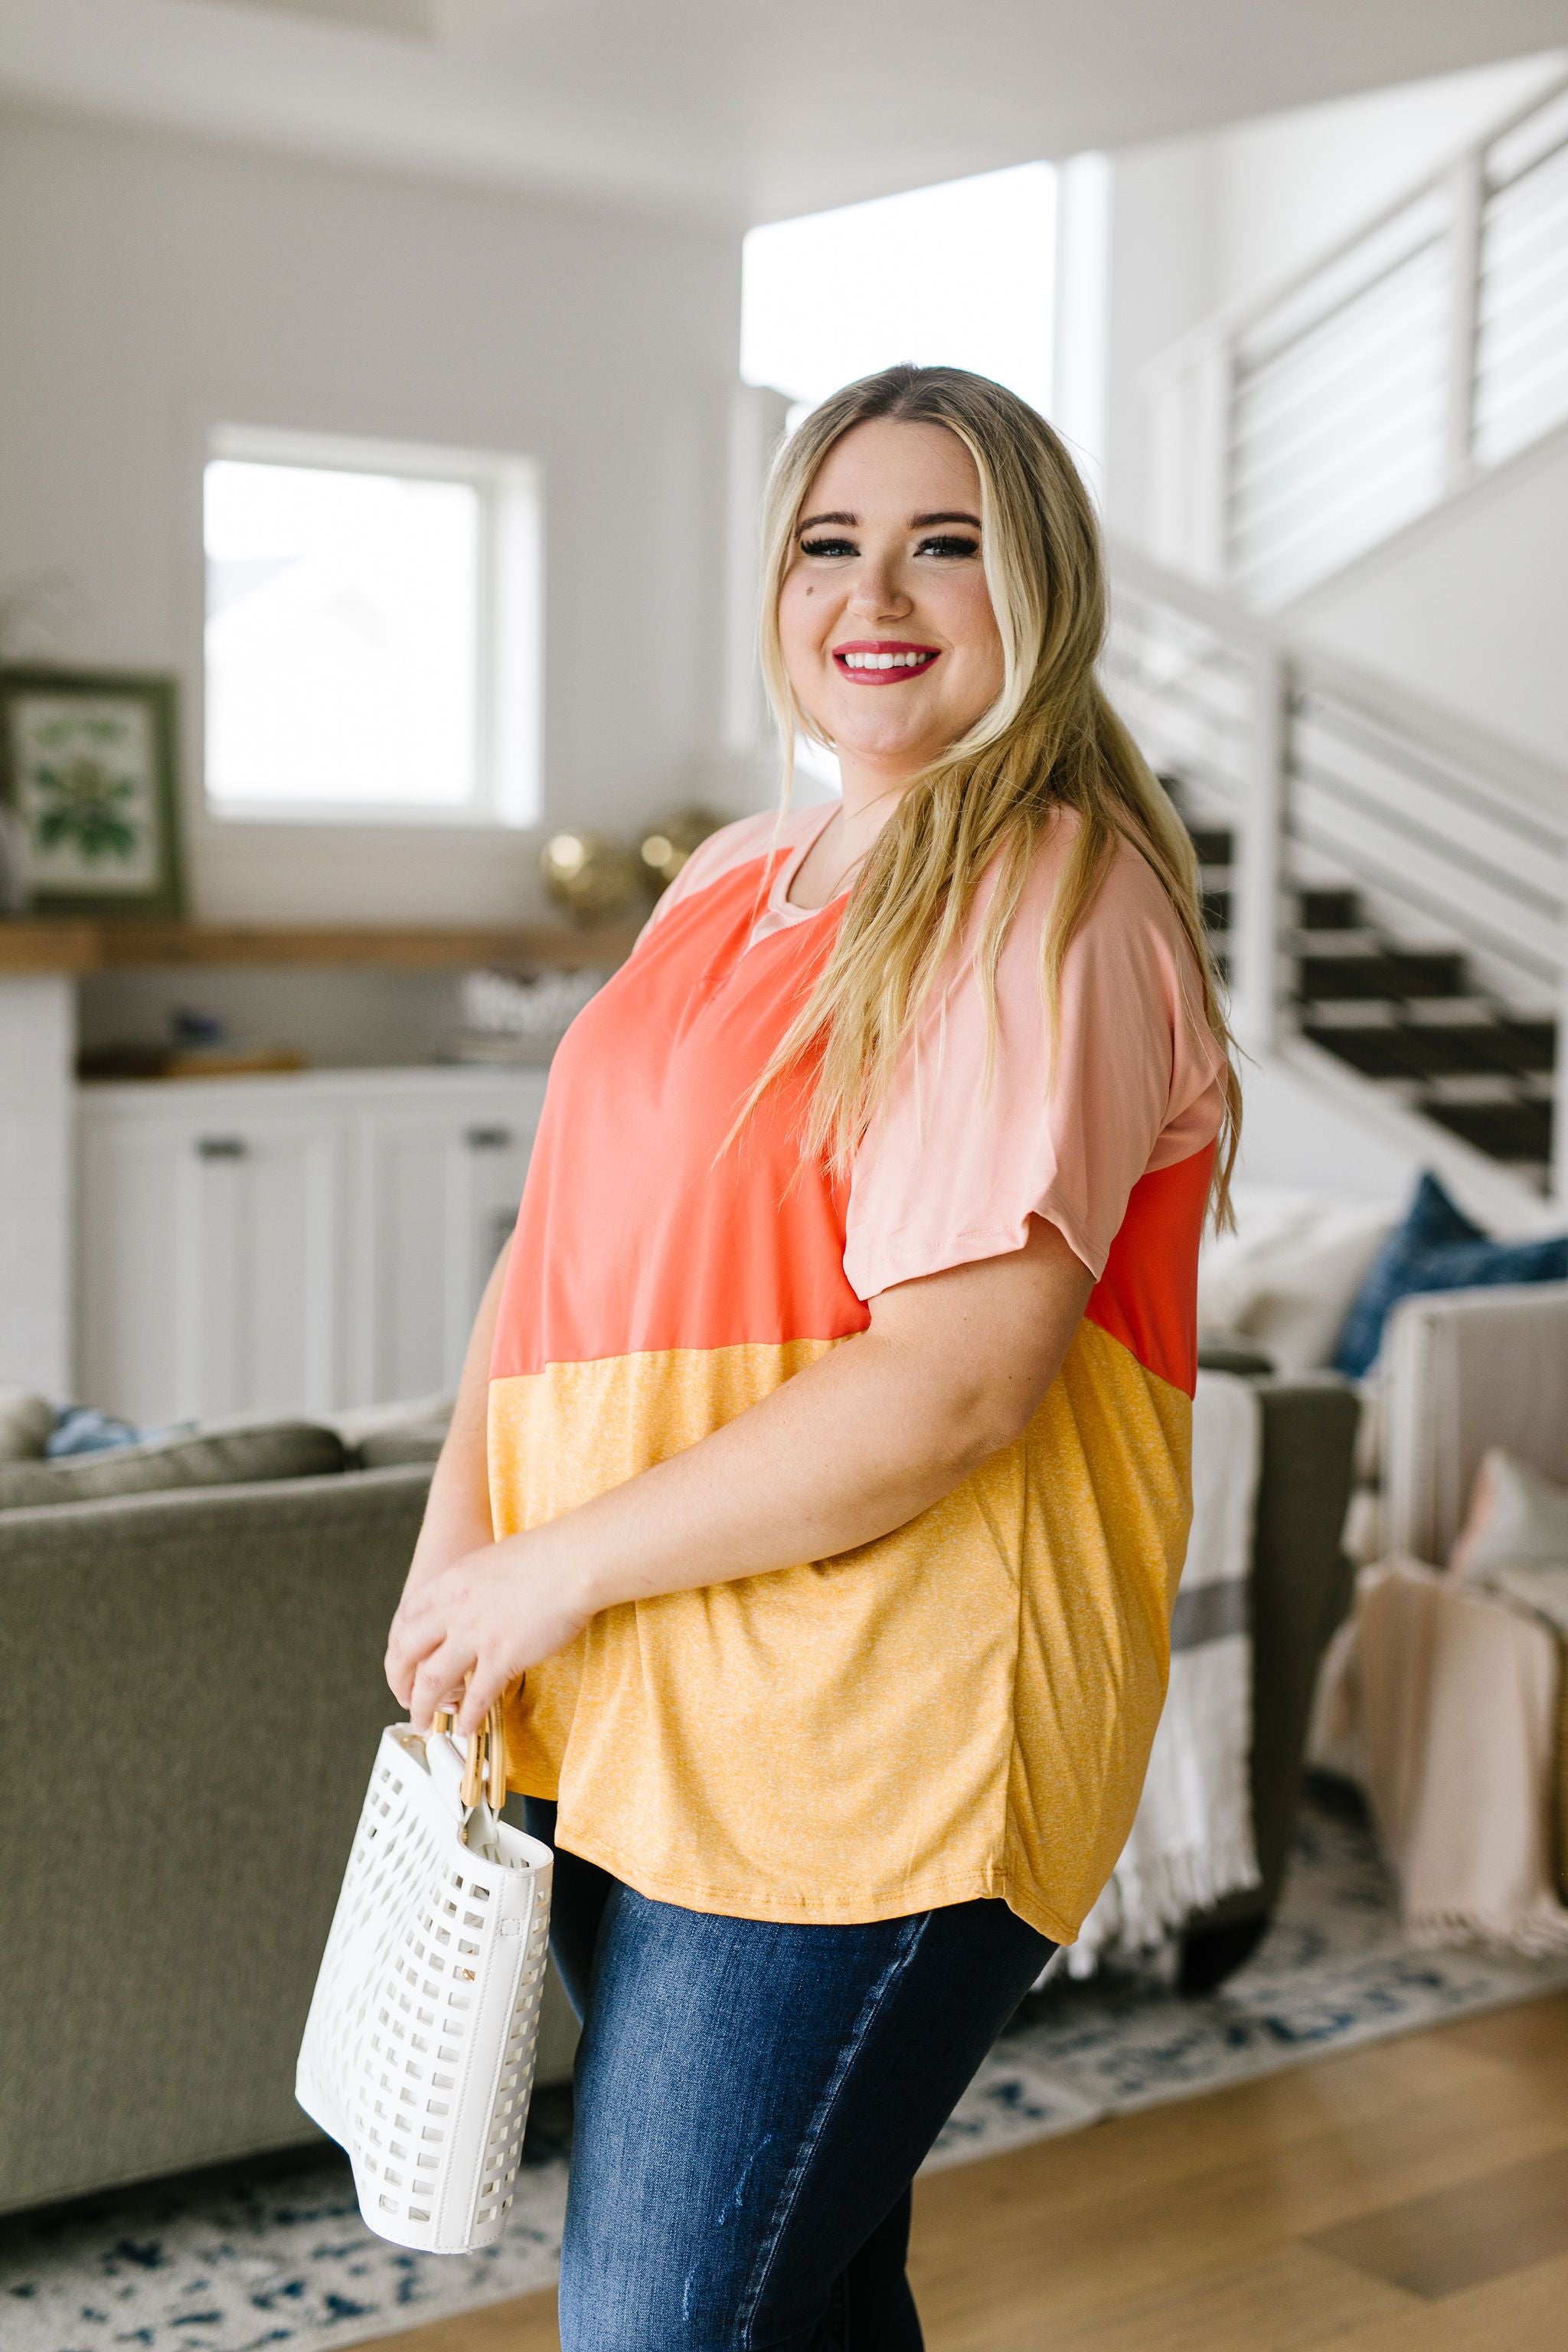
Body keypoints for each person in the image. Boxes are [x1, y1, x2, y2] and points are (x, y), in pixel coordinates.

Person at [385, 361, 1240, 2350]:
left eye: (949, 543)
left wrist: (546, 1566)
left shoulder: (1054, 896)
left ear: (1040, 589)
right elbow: (555, 1270)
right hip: (646, 1701)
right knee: (816, 2299)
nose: (881, 590)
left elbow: (950, 1386)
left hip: (883, 1742)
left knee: (671, 2321)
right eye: (832, 542)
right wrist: (459, 1549)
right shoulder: (721, 883)